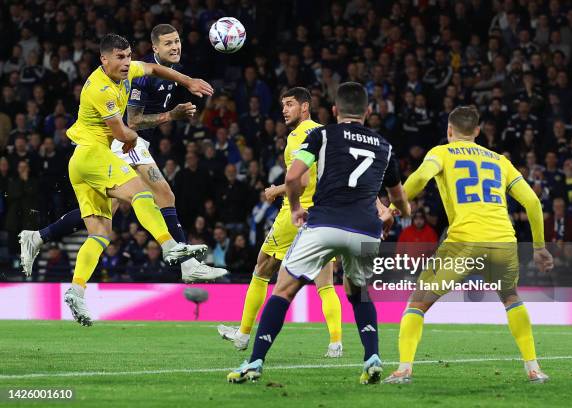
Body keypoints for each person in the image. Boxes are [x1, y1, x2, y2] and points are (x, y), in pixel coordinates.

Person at [227, 82, 407, 384]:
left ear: (335, 111)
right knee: (358, 291)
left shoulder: (321, 135)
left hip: (324, 223)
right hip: (365, 229)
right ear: (368, 111)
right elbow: (398, 199)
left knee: (283, 288)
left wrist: (295, 206)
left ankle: (254, 361)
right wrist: (389, 214)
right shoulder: (383, 146)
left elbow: (296, 175)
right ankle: (372, 357)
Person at [18, 25, 227, 283]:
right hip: (124, 140)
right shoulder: (136, 77)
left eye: (177, 41)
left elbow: (158, 72)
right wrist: (171, 116)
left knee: (104, 213)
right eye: (168, 43)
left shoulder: (165, 71)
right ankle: (185, 263)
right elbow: (134, 121)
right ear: (155, 48)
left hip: (132, 142)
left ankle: (39, 236)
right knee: (162, 194)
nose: (175, 47)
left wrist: (188, 81)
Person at [43, 33, 214, 326]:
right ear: (104, 59)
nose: (127, 63)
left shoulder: (130, 70)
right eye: (120, 58)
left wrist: (187, 81)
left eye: (129, 56)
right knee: (142, 195)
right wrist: (141, 134)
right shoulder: (101, 89)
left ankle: (75, 288)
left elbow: (154, 68)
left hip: (86, 159)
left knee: (100, 233)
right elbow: (124, 132)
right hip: (96, 154)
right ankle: (171, 247)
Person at [383, 106, 554, 385]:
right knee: (510, 297)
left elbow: (419, 179)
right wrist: (539, 247)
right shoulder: (500, 160)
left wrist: (391, 208)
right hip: (502, 239)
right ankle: (534, 368)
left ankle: (404, 369)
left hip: (464, 241)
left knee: (417, 301)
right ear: (477, 131)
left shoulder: (441, 152)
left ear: (449, 130)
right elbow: (533, 202)